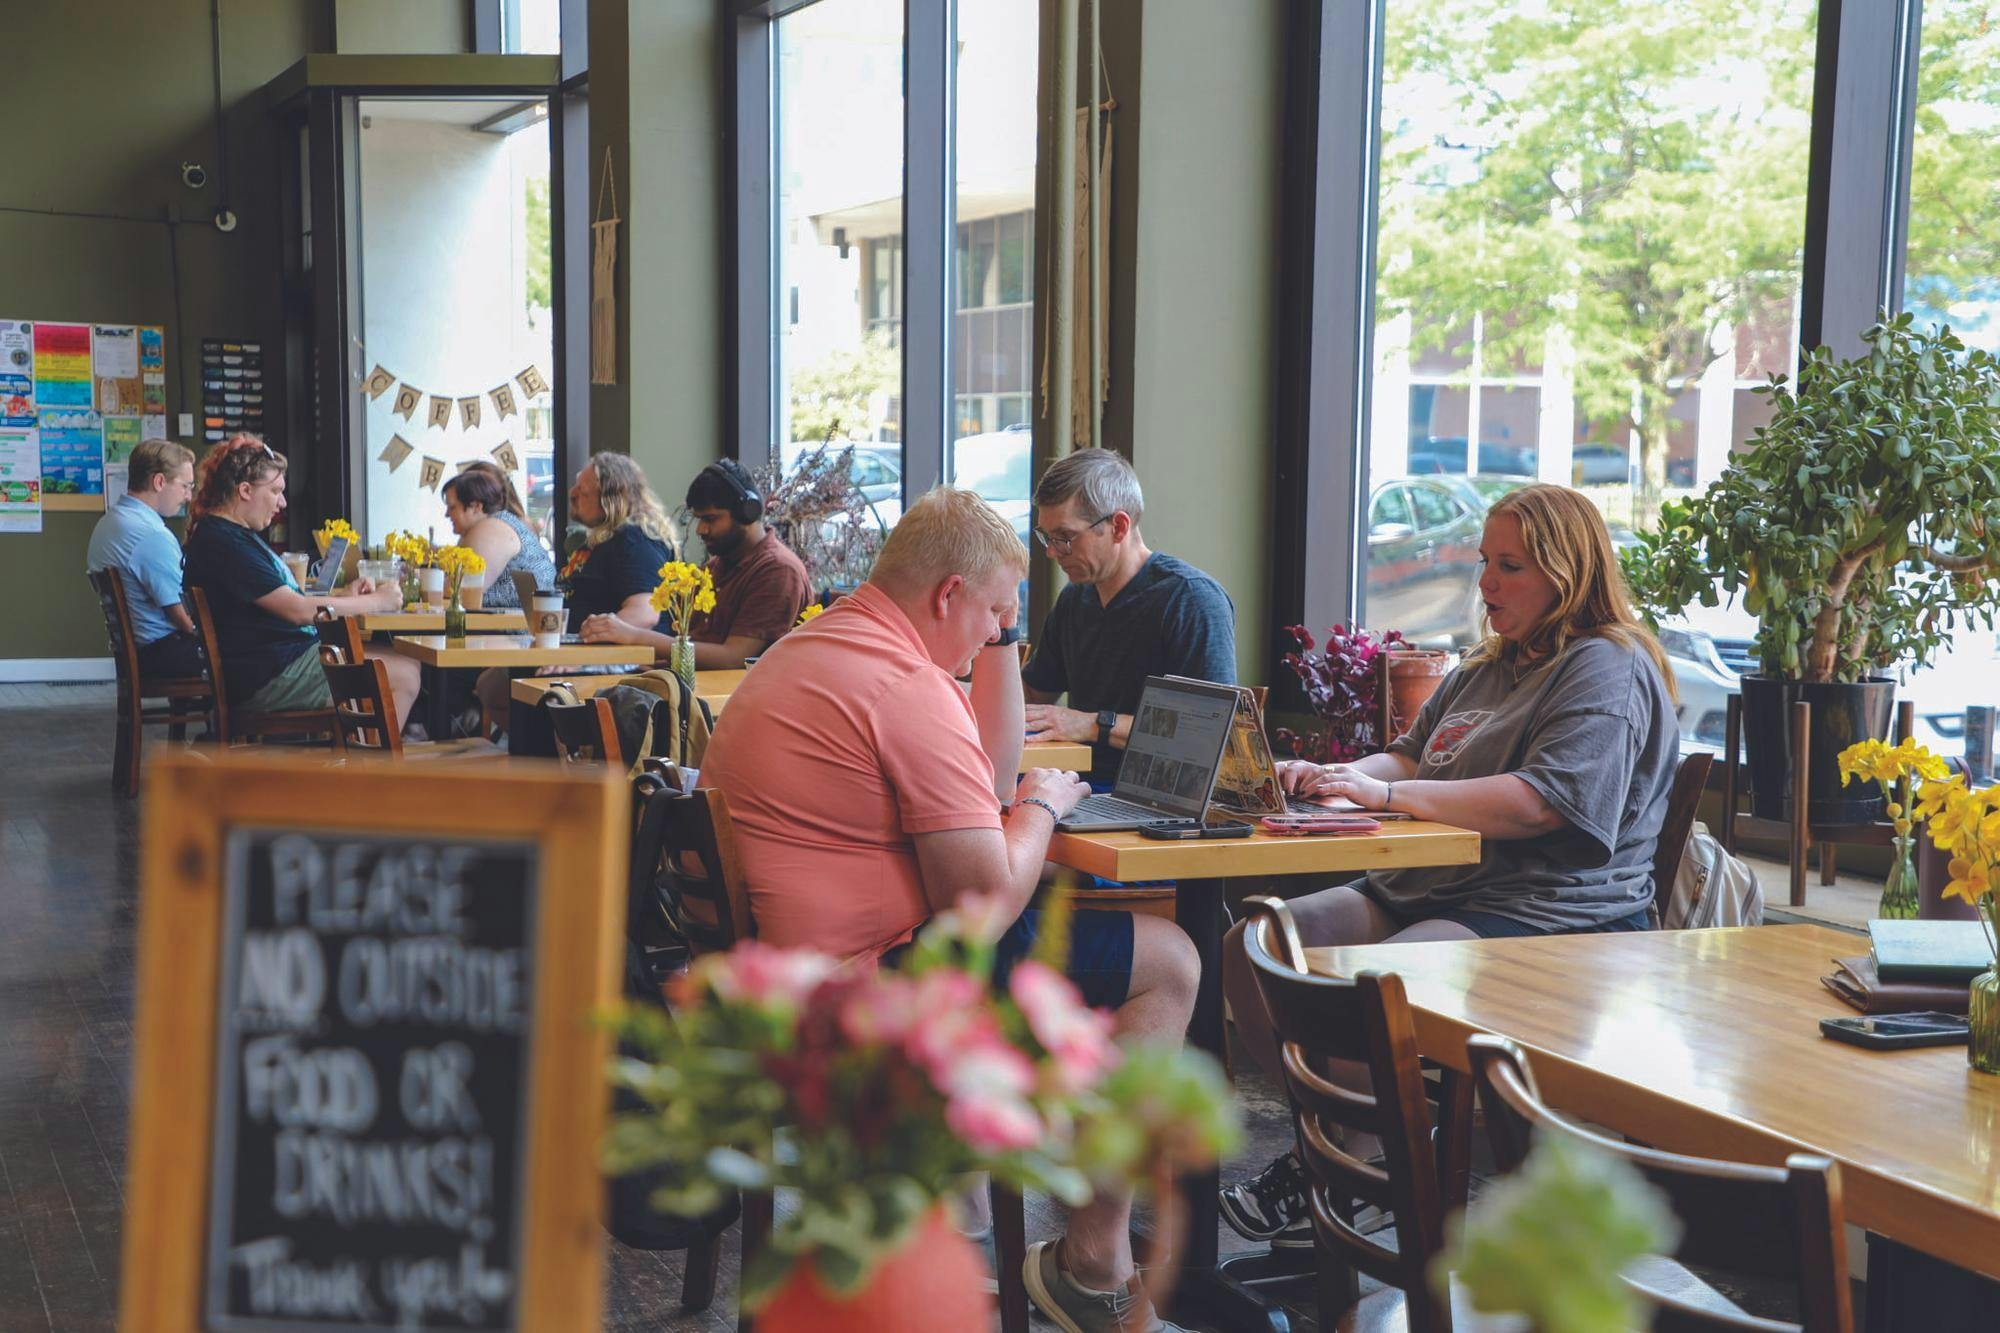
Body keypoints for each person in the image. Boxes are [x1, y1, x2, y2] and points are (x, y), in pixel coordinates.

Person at [700, 486, 1200, 1333]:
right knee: (1171, 959)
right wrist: (1042, 805)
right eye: (995, 616)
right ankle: (1091, 1260)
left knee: (1089, 942)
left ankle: (1009, 1212)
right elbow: (981, 903)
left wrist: (1000, 644)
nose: (993, 637)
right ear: (945, 597)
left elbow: (983, 785)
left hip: (787, 976)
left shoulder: (813, 645)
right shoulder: (904, 686)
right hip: (874, 986)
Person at [1216, 482, 1681, 1250]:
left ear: (1567, 575)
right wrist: (1335, 776)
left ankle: (1358, 1165)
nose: (1485, 583)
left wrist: (1391, 795)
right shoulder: (1486, 664)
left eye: (1510, 566)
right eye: (1483, 562)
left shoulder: (1605, 665)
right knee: (1255, 947)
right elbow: (1407, 754)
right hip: (1436, 886)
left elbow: (1545, 803)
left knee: (1372, 989)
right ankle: (1356, 1152)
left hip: (1549, 913)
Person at [1021, 448, 1237, 783]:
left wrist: (1092, 724)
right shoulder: (1075, 599)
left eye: (1065, 537)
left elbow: (1207, 734)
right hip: (1078, 782)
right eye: (1047, 537)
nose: (1052, 552)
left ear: (1118, 526)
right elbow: (1033, 695)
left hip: (1156, 798)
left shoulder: (1191, 599)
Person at [181, 436, 421, 729]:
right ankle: (371, 772)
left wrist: (346, 597)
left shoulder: (227, 535)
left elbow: (285, 602)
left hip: (269, 666)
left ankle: (364, 760)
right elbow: (297, 611)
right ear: (244, 490)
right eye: (275, 491)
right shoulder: (225, 543)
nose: (282, 502)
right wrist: (374, 602)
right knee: (406, 673)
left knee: (401, 661)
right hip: (268, 677)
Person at [473, 452, 676, 725]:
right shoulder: (597, 541)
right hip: (573, 645)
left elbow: (644, 612)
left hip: (621, 656)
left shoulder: (635, 540)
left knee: (531, 683)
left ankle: (559, 758)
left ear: (610, 497)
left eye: (583, 490)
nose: (572, 493)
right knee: (492, 685)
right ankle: (543, 756)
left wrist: (579, 658)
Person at [579, 457, 811, 669]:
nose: (701, 530)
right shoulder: (718, 566)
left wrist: (633, 635)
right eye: (698, 519)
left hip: (733, 702)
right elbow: (695, 643)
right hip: (693, 693)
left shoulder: (777, 570)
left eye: (710, 519)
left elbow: (734, 658)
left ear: (747, 513)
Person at [86, 438, 204, 677]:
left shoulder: (108, 523)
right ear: (159, 482)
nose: (189, 497)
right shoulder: (151, 535)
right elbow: (185, 620)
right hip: (164, 653)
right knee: (246, 652)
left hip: (141, 653)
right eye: (185, 486)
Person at [440, 462, 555, 609]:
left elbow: (457, 591)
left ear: (476, 507)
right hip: (510, 626)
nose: (447, 514)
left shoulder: (491, 529)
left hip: (518, 628)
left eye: (452, 507)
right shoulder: (499, 524)